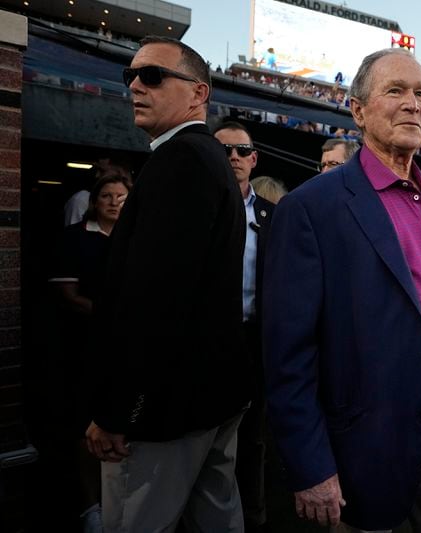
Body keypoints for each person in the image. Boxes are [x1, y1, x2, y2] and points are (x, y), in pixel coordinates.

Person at [262, 49, 421, 531]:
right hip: (368, 434)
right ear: (358, 110)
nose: (413, 104)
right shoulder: (311, 208)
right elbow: (288, 355)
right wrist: (311, 466)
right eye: (395, 91)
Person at [85, 36, 251, 532]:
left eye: (153, 76)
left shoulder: (181, 161)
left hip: (165, 410)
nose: (135, 84)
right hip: (206, 399)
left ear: (198, 93)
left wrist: (119, 412)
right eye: (131, 75)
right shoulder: (203, 160)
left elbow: (156, 301)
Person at [49, 174, 131, 533]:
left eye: (122, 197)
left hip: (126, 351)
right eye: (107, 196)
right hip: (83, 347)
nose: (114, 202)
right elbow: (68, 296)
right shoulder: (73, 239)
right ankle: (90, 509)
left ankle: (118, 504)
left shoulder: (137, 241)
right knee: (85, 428)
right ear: (94, 201)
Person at [214, 121, 276, 533]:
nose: (233, 158)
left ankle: (253, 519)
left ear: (253, 159)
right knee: (208, 438)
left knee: (253, 439)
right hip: (208, 343)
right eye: (224, 151)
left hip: (257, 342)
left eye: (241, 151)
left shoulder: (274, 215)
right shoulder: (196, 208)